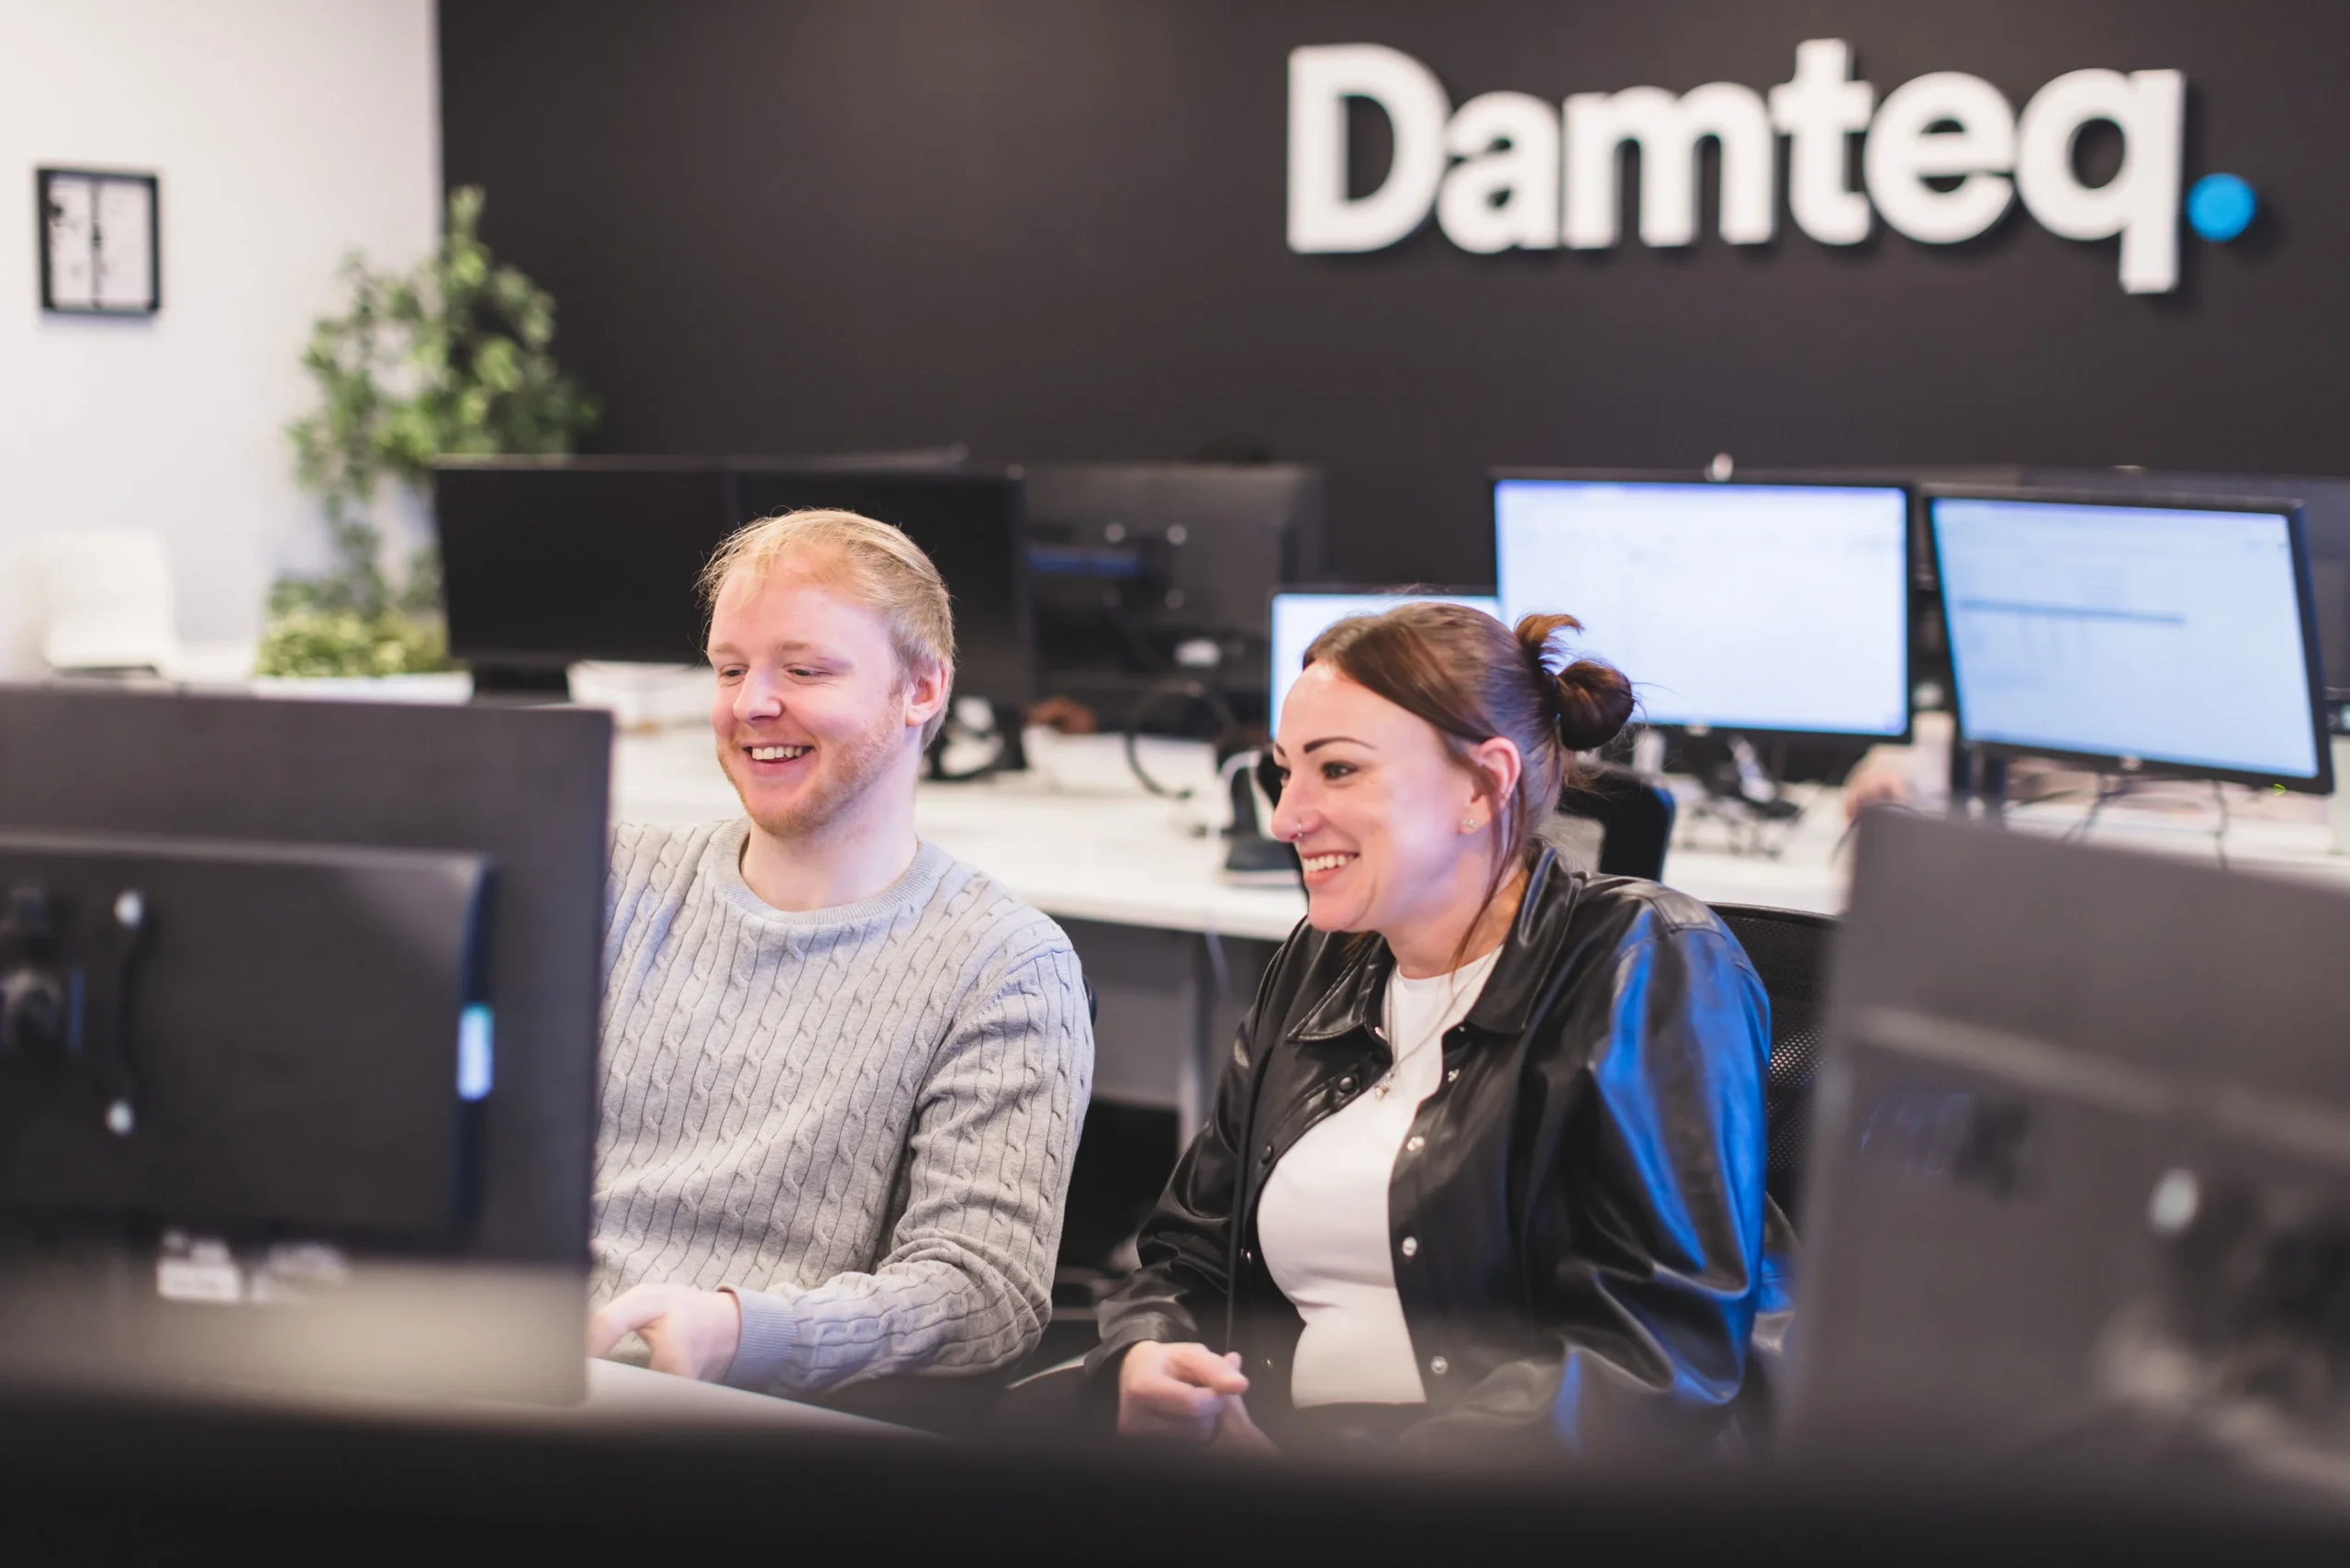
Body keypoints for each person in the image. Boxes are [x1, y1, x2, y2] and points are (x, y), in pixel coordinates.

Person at [1091, 602, 1772, 1454]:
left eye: (1338, 769)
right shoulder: (1320, 959)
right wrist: (1147, 1354)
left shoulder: (1648, 962)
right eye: (1286, 771)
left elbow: (1656, 1354)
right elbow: (1189, 1249)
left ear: (1481, 786)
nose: (1286, 817)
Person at [587, 510, 1093, 1397]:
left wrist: (741, 1333)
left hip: (741, 1412)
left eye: (804, 670)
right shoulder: (613, 881)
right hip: (519, 1374)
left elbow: (983, 1295)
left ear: (922, 688)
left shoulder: (1002, 965)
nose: (751, 704)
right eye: (730, 669)